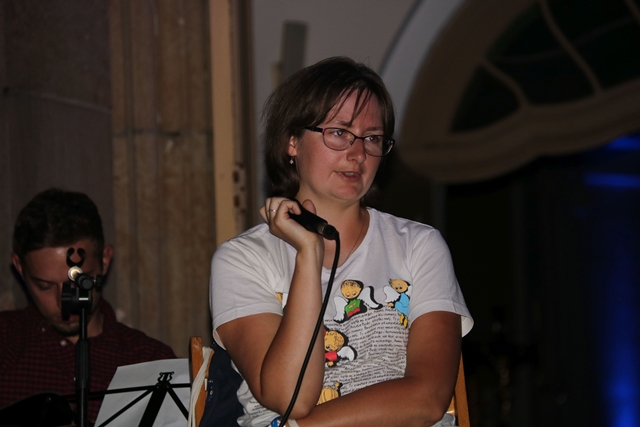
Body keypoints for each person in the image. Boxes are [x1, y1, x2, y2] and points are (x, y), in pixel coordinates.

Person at [209, 57, 473, 427]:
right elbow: (290, 397)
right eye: (339, 132)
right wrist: (308, 255)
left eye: (372, 138)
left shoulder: (419, 245)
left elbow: (427, 399)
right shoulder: (243, 259)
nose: (358, 153)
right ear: (292, 142)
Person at [0, 188, 176, 423]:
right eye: (45, 286)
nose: (64, 301)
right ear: (20, 268)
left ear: (105, 260)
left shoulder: (150, 360)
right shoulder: (6, 342)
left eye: (78, 282)